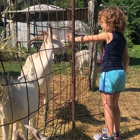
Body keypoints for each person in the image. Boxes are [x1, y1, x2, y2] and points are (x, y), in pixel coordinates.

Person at [66, 6, 129, 140]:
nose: (101, 24)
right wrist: (123, 72)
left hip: (109, 73)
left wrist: (74, 39)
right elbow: (126, 58)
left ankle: (109, 136)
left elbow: (90, 38)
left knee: (107, 106)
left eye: (103, 22)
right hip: (120, 73)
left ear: (111, 22)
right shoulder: (122, 38)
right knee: (115, 105)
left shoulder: (108, 35)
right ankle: (116, 134)